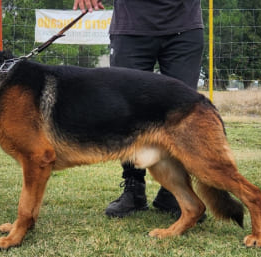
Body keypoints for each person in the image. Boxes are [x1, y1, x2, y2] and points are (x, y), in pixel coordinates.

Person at [73, 0, 205, 218]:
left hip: (184, 25)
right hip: (131, 27)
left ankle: (173, 192)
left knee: (181, 116)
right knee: (126, 112)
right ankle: (134, 188)